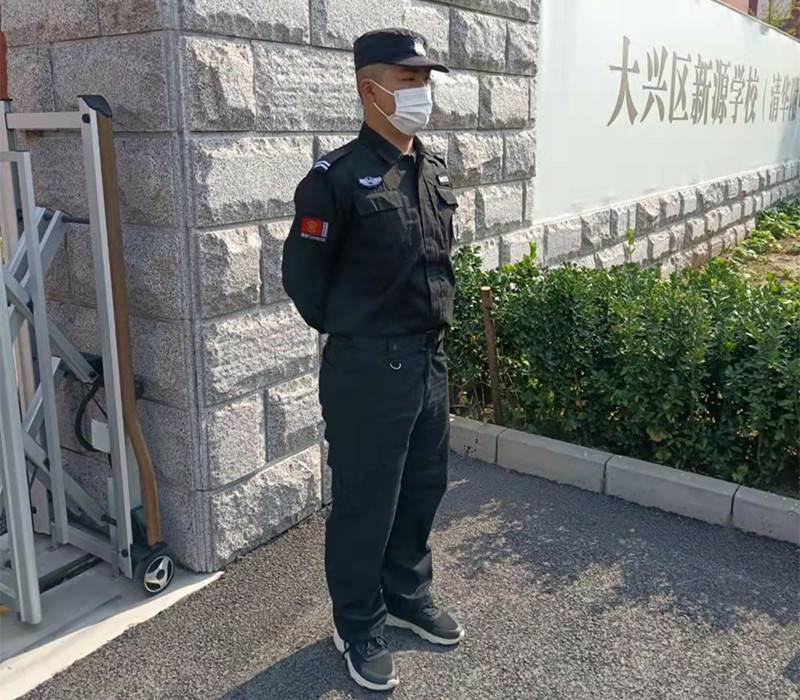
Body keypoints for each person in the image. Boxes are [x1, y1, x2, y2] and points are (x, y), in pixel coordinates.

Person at [281, 27, 464, 692]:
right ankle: (357, 623)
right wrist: (360, 334)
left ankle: (406, 595)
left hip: (428, 361)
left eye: (425, 80)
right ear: (370, 89)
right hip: (368, 371)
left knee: (423, 487)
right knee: (366, 503)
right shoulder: (334, 180)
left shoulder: (430, 170)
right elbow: (304, 280)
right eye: (408, 79)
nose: (421, 91)